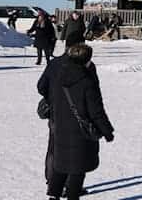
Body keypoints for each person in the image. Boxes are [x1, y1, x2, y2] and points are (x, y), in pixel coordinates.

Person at [43, 43, 114, 200]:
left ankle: (53, 197)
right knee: (77, 169)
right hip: (81, 133)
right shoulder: (87, 82)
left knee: (61, 165)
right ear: (86, 61)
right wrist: (107, 131)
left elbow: (45, 90)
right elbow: (96, 112)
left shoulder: (59, 77)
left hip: (61, 127)